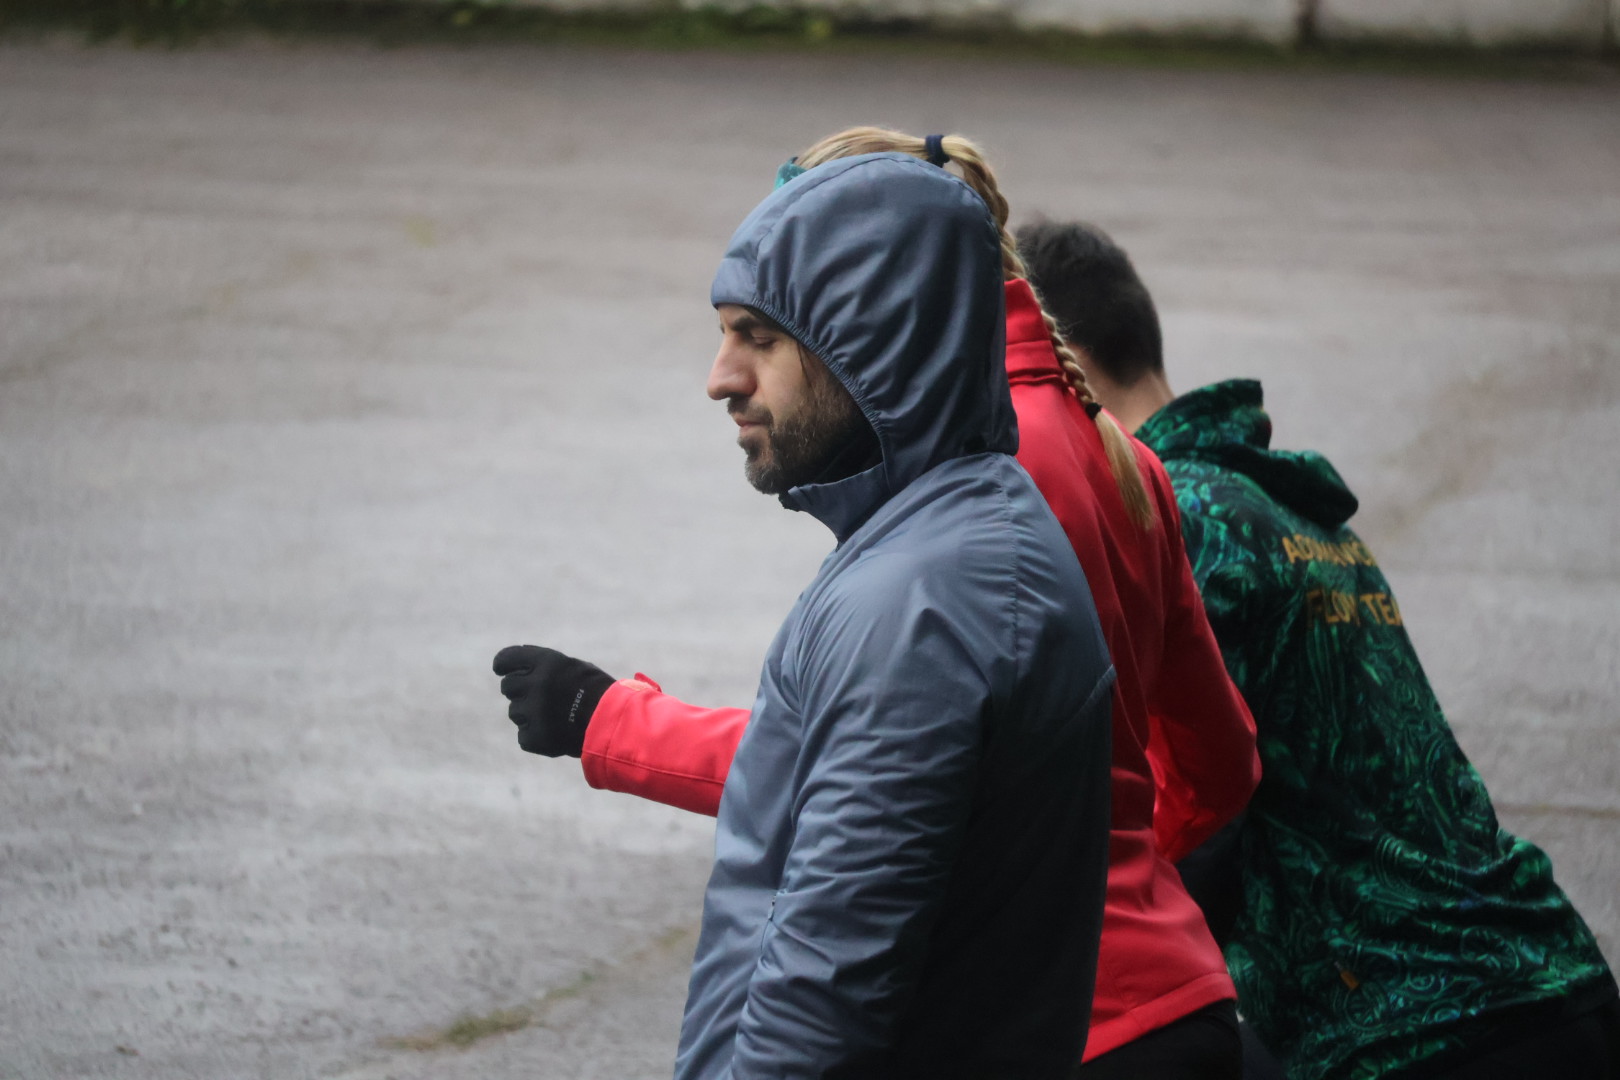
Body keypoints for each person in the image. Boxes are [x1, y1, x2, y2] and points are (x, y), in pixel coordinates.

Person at [496, 128, 1261, 1078]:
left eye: (763, 328)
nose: (722, 374)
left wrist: (611, 721)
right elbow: (1219, 762)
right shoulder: (1111, 459)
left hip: (1087, 1022)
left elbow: (868, 775)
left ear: (869, 297)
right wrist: (1106, 866)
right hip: (1166, 990)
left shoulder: (981, 498)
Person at [1015, 220, 1620, 1080]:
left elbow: (1189, 818)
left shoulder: (1176, 519)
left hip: (1411, 1032)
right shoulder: (1292, 509)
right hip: (1547, 982)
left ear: (1064, 360)